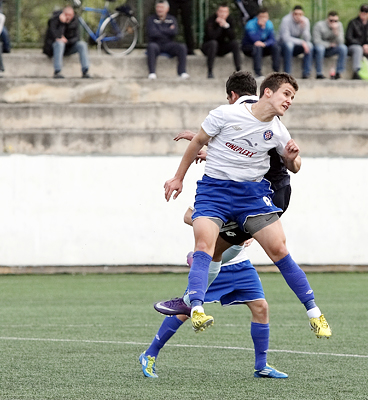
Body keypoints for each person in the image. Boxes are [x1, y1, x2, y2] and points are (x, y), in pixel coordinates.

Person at [163, 72, 331, 340]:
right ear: (267, 92)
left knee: (279, 250)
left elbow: (295, 167)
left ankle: (314, 312)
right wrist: (178, 178)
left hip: (252, 196)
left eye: (292, 97)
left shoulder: (277, 129)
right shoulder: (225, 114)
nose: (289, 101)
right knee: (205, 245)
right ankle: (196, 307)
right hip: (215, 192)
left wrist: (291, 159)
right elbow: (197, 142)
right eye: (286, 94)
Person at [140, 245, 288, 379]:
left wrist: (249, 232)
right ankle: (149, 354)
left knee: (261, 307)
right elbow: (188, 216)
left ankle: (261, 366)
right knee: (186, 309)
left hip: (242, 266)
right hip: (213, 265)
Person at [43, 6, 91, 79]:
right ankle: (57, 71)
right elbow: (54, 36)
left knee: (82, 44)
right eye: (66, 15)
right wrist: (62, 23)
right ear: (63, 14)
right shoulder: (54, 20)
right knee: (60, 43)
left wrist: (67, 41)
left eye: (70, 15)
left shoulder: (75, 21)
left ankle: (85, 71)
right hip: (54, 48)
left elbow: (77, 37)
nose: (68, 17)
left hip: (69, 46)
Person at [146, 0, 189, 80]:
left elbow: (174, 32)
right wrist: (167, 30)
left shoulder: (172, 19)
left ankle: (182, 72)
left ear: (167, 9)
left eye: (161, 7)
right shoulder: (151, 19)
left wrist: (159, 30)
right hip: (156, 44)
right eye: (158, 7)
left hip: (168, 44)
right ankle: (152, 73)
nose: (159, 9)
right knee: (151, 47)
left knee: (182, 47)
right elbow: (152, 33)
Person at [201, 4, 241, 79]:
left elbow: (233, 37)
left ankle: (239, 71)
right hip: (208, 47)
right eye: (221, 11)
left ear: (228, 13)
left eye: (225, 12)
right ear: (217, 12)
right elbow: (212, 37)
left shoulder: (229, 20)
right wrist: (219, 26)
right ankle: (210, 71)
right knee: (213, 43)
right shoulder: (211, 20)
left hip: (221, 47)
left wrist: (226, 26)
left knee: (235, 44)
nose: (223, 14)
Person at [241, 8, 280, 78]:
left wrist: (265, 44)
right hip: (249, 47)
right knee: (258, 47)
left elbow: (272, 39)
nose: (264, 19)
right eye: (262, 17)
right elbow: (255, 40)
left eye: (265, 17)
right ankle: (258, 73)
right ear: (257, 17)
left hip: (263, 46)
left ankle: (276, 71)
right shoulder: (250, 24)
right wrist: (261, 28)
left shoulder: (269, 24)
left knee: (276, 47)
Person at [279, 5, 313, 79]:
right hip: (284, 45)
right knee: (289, 45)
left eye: (300, 14)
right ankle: (287, 73)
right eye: (295, 14)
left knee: (310, 45)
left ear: (303, 14)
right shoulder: (286, 20)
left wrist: (304, 28)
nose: (297, 16)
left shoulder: (305, 21)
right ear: (292, 13)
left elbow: (307, 39)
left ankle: (306, 73)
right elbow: (285, 38)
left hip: (297, 45)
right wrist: (302, 42)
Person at [313, 11, 347, 79]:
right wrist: (329, 44)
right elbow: (316, 41)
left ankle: (338, 73)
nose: (333, 22)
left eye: (335, 21)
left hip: (332, 49)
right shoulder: (319, 25)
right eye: (331, 20)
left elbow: (341, 42)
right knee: (320, 49)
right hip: (320, 49)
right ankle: (319, 73)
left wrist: (336, 32)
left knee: (343, 48)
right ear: (327, 19)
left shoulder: (339, 25)